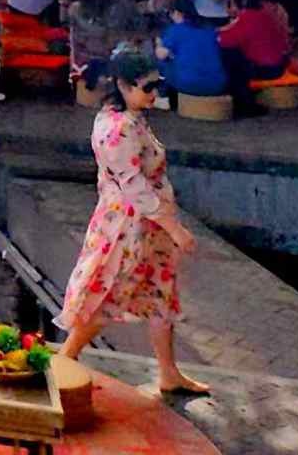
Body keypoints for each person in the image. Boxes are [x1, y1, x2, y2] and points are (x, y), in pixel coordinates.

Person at [57, 51, 209, 396]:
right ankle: (65, 357)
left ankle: (169, 372)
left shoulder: (129, 117)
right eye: (147, 87)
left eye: (158, 85)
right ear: (124, 86)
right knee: (108, 291)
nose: (154, 93)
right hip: (127, 225)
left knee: (160, 293)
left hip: (147, 221)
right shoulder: (118, 128)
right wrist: (175, 229)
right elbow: (134, 186)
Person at [217, 0, 293, 114]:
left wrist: (215, 32)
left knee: (230, 56)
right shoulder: (264, 16)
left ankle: (244, 103)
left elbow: (226, 40)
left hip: (266, 69)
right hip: (279, 63)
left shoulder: (247, 18)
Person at [155, 0, 227, 100]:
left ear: (177, 13)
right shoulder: (209, 28)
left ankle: (163, 94)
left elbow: (161, 55)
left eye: (170, 13)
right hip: (217, 85)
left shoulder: (175, 30)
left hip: (189, 85)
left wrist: (158, 43)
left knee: (163, 62)